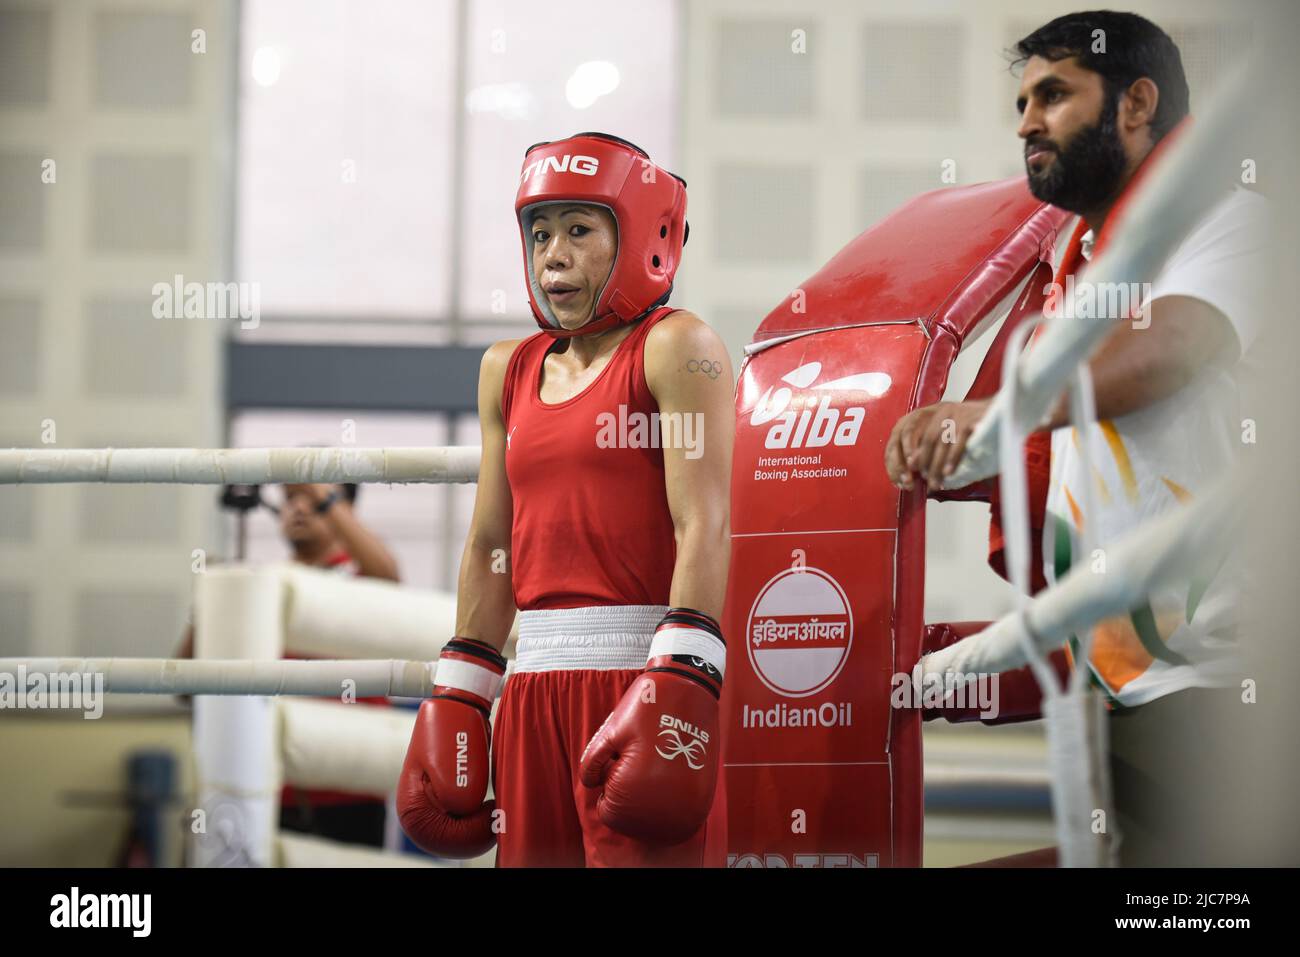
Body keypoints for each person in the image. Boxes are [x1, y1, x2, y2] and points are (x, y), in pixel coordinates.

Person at [886, 11, 1268, 866]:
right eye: (1022, 100)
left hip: (1225, 687)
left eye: (1053, 95)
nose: (1025, 121)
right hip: (1127, 678)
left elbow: (1171, 347)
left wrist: (1000, 412)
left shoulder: (1232, 218)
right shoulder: (1078, 262)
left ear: (1137, 102)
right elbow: (1019, 450)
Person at [397, 132, 735, 867]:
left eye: (580, 230)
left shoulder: (679, 347)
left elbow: (703, 520)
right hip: (532, 693)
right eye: (540, 232)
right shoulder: (506, 369)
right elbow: (492, 538)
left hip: (639, 684)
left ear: (646, 237)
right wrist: (464, 686)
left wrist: (682, 677)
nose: (554, 254)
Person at [179, 479, 401, 847]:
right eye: (289, 498)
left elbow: (391, 580)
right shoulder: (264, 586)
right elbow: (186, 684)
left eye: (311, 499)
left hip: (352, 793)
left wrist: (322, 493)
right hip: (271, 787)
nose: (298, 508)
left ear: (343, 509)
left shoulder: (362, 581)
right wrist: (205, 601)